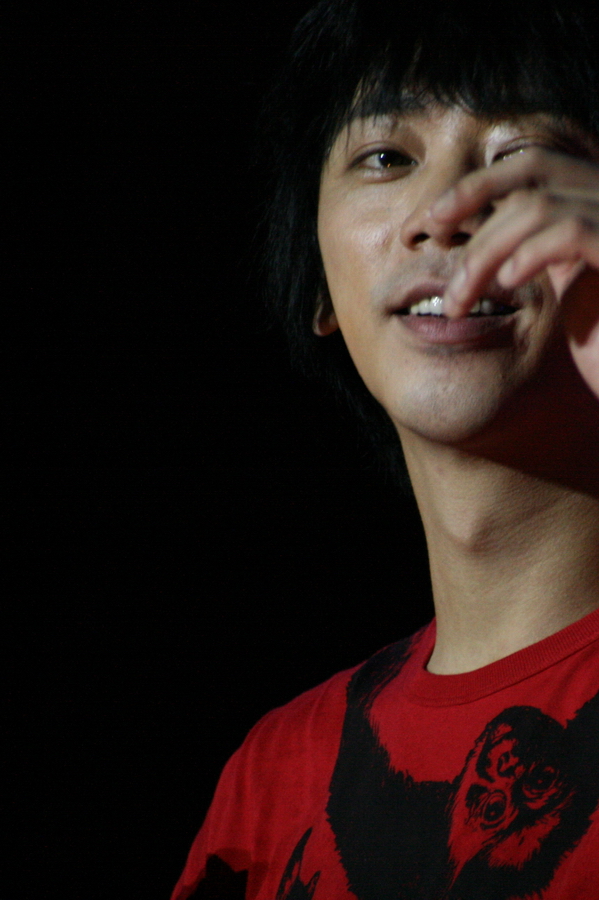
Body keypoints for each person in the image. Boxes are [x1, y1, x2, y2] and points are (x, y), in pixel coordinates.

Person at [172, 1, 599, 897]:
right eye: (385, 158)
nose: (443, 214)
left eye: (522, 157)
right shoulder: (274, 780)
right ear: (319, 288)